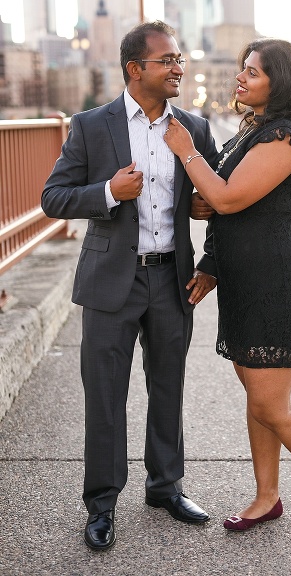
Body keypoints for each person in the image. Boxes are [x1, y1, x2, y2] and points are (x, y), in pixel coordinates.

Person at [162, 37, 291, 538]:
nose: (241, 77)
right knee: (257, 396)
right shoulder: (254, 131)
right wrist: (210, 263)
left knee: (273, 405)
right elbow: (229, 212)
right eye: (242, 68)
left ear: (280, 82)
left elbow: (226, 199)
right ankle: (266, 495)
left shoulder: (284, 138)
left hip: (276, 279)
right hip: (244, 277)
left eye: (252, 71)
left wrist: (187, 152)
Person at [41, 21, 219, 551]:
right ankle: (101, 504)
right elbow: (54, 197)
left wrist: (210, 260)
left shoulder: (193, 126)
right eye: (166, 60)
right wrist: (108, 191)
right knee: (105, 396)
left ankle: (165, 487)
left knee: (168, 388)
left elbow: (222, 202)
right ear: (134, 68)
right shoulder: (93, 126)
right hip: (109, 282)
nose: (178, 68)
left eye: (180, 59)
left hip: (172, 279)